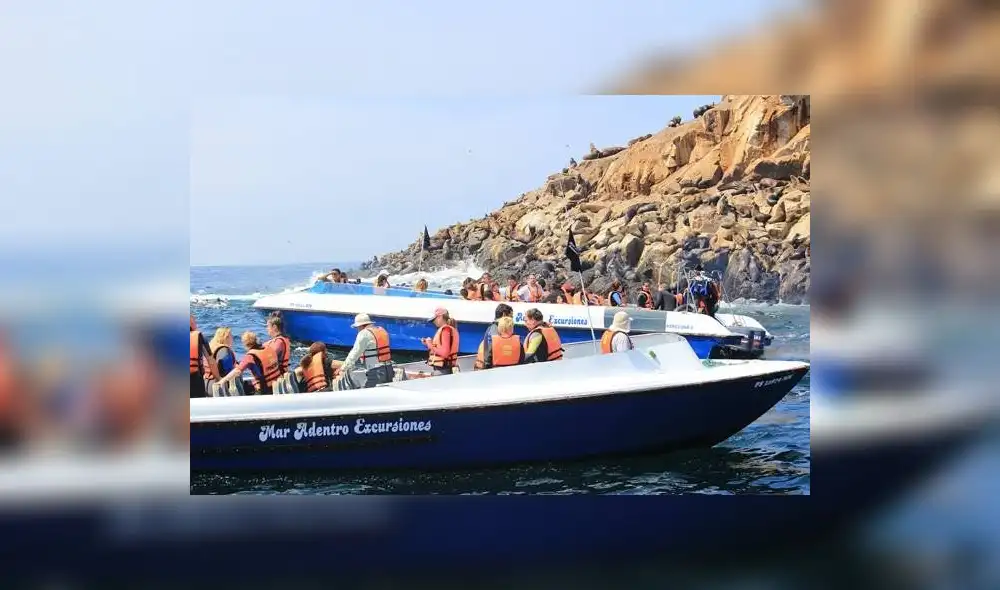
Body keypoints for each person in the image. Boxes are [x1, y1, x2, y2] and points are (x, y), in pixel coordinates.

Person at [331, 313, 396, 389]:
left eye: (357, 328)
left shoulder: (364, 334)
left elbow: (354, 354)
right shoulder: (381, 330)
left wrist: (343, 369)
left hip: (376, 372)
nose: (357, 330)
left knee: (369, 396)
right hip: (389, 370)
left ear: (361, 326)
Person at [216, 331, 284, 395]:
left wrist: (222, 381)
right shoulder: (268, 348)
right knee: (247, 384)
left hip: (265, 389)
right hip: (278, 384)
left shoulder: (250, 356)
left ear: (245, 344)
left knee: (243, 388)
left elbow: (237, 371)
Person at [474, 304, 514, 370]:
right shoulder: (494, 330)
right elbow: (491, 350)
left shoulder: (493, 328)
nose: (512, 319)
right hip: (494, 368)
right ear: (504, 315)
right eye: (511, 316)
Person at [421, 308, 459, 375]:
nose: (434, 322)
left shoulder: (446, 330)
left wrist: (430, 345)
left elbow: (445, 353)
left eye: (434, 320)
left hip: (443, 370)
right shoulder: (448, 329)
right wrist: (428, 344)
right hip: (445, 368)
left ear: (440, 317)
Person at [190, 315, 219, 398]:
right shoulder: (199, 336)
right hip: (195, 379)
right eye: (195, 322)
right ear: (191, 323)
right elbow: (211, 360)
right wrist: (218, 378)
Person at [208, 327, 242, 396]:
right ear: (226, 338)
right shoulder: (225, 351)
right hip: (219, 388)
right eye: (231, 336)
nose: (232, 339)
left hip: (209, 384)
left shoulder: (212, 349)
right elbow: (227, 371)